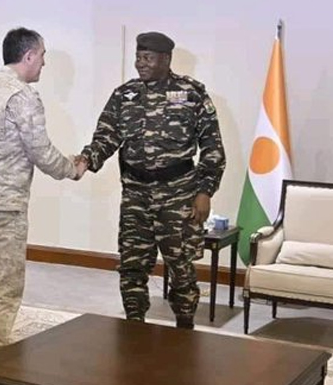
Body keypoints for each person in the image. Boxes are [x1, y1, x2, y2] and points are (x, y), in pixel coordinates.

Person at [77, 31, 226, 329]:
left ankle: (184, 328)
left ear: (166, 59)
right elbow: (106, 137)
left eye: (148, 58)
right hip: (136, 195)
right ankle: (134, 327)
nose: (140, 63)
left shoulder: (191, 93)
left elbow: (213, 147)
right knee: (132, 265)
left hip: (178, 195)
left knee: (181, 266)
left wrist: (205, 191)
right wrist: (86, 159)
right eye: (138, 57)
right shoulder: (124, 95)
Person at [0, 27, 80, 356]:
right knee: (4, 287)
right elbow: (40, 151)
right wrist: (72, 169)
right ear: (28, 56)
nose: (44, 63)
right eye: (42, 56)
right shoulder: (22, 97)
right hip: (5, 206)